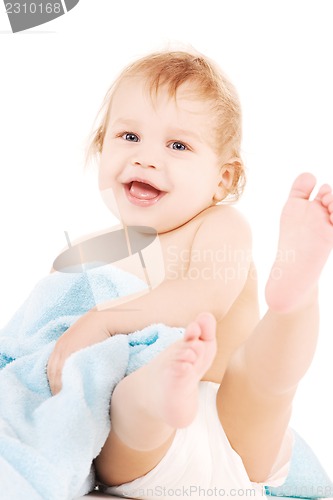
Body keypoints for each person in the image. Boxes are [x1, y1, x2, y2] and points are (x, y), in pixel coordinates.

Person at [47, 50, 333, 499]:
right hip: (147, 454)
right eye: (129, 135)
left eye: (177, 146)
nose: (145, 158)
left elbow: (199, 298)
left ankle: (296, 302)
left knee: (263, 380)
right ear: (102, 145)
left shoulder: (219, 225)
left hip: (230, 420)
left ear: (222, 180)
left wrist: (101, 320)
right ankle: (166, 388)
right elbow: (48, 328)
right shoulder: (89, 251)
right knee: (134, 402)